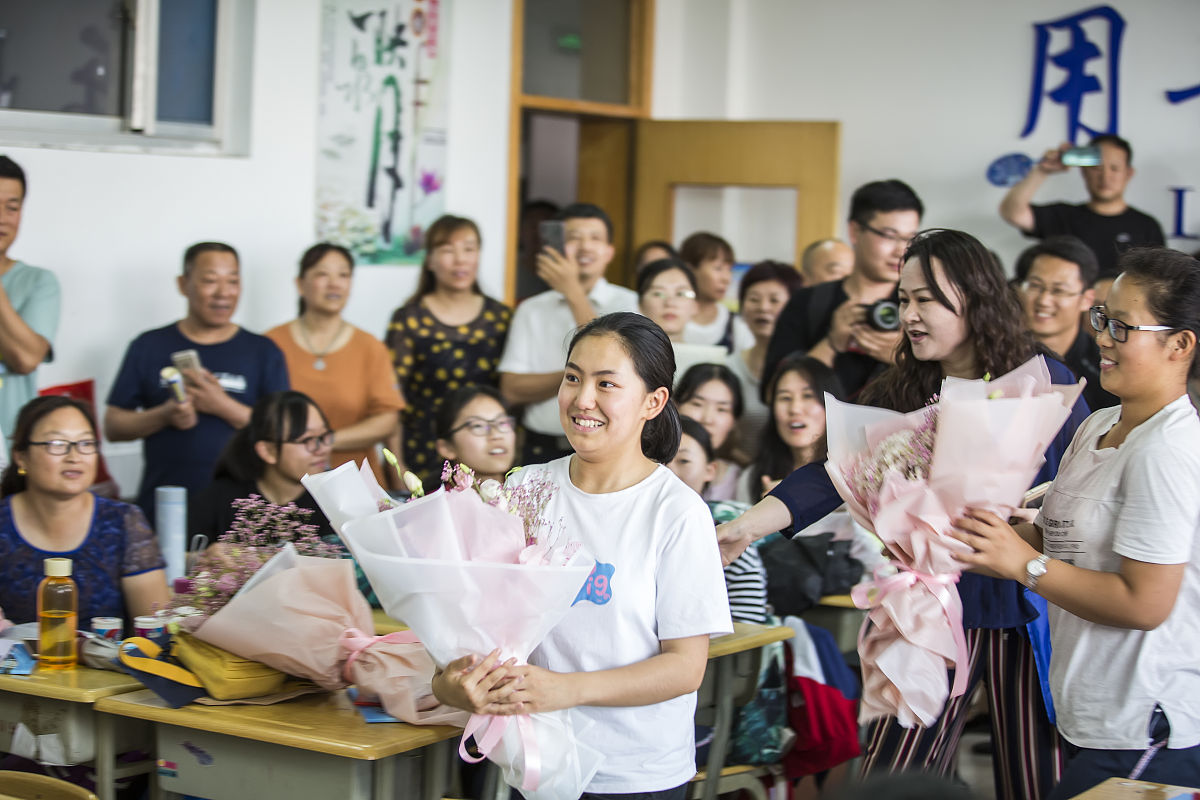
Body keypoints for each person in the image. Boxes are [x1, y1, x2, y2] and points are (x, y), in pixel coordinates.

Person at [721, 229, 1091, 800]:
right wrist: (748, 525)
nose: (909, 315)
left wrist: (1027, 532)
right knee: (893, 773)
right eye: (905, 299)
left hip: (1025, 608)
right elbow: (834, 473)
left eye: (927, 300)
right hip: (930, 609)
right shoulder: (907, 387)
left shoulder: (1045, 380)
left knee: (1035, 779)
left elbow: (1082, 488)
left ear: (974, 297)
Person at [433, 311, 732, 799]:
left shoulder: (676, 512)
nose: (582, 399)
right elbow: (474, 625)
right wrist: (455, 683)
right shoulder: (524, 488)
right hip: (534, 762)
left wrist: (568, 689)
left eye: (606, 383)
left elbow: (684, 668)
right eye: (572, 377)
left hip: (634, 775)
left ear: (652, 402)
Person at [953, 247, 1200, 798]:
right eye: (1102, 319)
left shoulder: (1168, 451)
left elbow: (1144, 604)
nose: (1102, 338)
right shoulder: (1101, 426)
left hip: (1147, 727)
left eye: (1122, 326)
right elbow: (1054, 535)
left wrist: (1025, 566)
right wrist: (951, 538)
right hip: (1093, 715)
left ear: (1180, 344)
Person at [105, 242, 290, 525]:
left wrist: (222, 405)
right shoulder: (149, 346)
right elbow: (113, 426)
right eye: (210, 280)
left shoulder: (263, 351)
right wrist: (164, 415)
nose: (223, 293)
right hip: (164, 507)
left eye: (233, 281)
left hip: (245, 513)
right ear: (183, 284)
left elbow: (283, 432)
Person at [0, 396, 169, 628]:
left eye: (86, 443)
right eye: (57, 444)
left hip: (109, 664)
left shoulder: (123, 522)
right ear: (21, 457)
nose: (74, 457)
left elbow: (156, 630)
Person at [499, 203, 638, 465]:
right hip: (541, 446)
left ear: (610, 252)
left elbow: (620, 367)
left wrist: (573, 292)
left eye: (595, 238)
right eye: (574, 238)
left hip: (610, 447)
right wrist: (578, 378)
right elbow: (512, 388)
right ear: (558, 248)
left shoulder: (631, 305)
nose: (585, 246)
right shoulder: (532, 309)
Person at [765, 180, 923, 398]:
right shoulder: (808, 303)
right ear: (855, 231)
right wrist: (831, 343)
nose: (900, 250)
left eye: (910, 238)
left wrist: (905, 357)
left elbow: (950, 392)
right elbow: (771, 394)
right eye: (889, 235)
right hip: (821, 433)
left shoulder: (922, 305)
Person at [386, 215, 511, 488]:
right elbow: (391, 400)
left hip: (487, 452)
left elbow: (510, 395)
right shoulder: (409, 319)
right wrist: (398, 466)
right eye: (447, 250)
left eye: (469, 249)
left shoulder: (500, 317)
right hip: (424, 452)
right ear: (429, 260)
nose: (460, 259)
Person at [266, 243, 404, 484]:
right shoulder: (271, 343)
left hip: (358, 486)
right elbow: (260, 419)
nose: (334, 283)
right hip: (286, 486)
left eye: (343, 275)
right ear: (300, 284)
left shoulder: (370, 347)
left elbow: (387, 421)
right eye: (322, 274)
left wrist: (323, 440)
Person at [999, 135, 1165, 296]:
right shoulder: (1063, 216)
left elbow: (1157, 283)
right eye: (1096, 168)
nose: (1105, 177)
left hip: (1120, 320)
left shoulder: (1146, 226)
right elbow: (1013, 213)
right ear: (1084, 171)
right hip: (1065, 315)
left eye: (1114, 168)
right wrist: (1042, 171)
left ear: (1128, 173)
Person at [188, 390, 335, 543]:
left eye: (324, 436)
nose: (322, 448)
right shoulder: (223, 497)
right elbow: (172, 554)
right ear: (267, 451)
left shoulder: (337, 500)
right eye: (307, 439)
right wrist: (204, 557)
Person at [668, 415, 767, 624]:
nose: (668, 472)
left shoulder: (728, 539)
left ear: (710, 470)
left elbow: (748, 629)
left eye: (684, 461)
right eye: (658, 461)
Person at [1015, 236, 1118, 411]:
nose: (1044, 300)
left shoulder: (1103, 368)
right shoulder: (997, 355)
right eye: (1035, 286)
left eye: (1059, 290)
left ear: (1087, 299)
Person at [0, 156, 61, 442]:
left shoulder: (39, 282)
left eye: (12, 208)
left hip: (11, 448)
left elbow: (25, 359)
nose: (2, 218)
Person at [726, 260, 804, 453]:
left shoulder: (806, 368)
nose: (763, 307)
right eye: (753, 299)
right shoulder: (729, 367)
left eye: (774, 300)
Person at [747, 355, 843, 502]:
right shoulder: (753, 476)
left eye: (808, 396)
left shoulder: (853, 474)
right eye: (785, 398)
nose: (795, 409)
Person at [636, 257, 725, 378]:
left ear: (695, 305)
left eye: (681, 293)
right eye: (658, 293)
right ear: (640, 304)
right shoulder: (625, 357)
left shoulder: (711, 362)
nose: (670, 303)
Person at [675, 363, 745, 502]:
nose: (707, 419)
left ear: (734, 422)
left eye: (721, 409)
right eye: (697, 404)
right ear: (675, 407)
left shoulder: (742, 481)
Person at [679, 232, 753, 352]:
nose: (726, 279)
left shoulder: (735, 326)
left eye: (729, 270)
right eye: (718, 268)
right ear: (689, 270)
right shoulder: (668, 317)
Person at [433, 385, 517, 486]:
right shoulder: (437, 502)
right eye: (478, 426)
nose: (496, 435)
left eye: (502, 423)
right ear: (446, 447)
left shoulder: (534, 494)